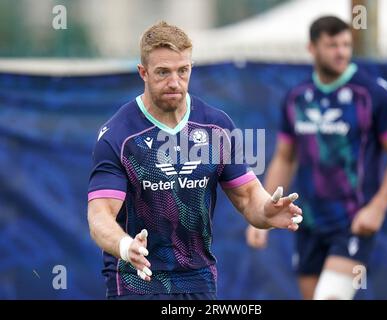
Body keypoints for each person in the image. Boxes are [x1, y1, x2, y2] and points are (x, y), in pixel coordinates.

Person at [87, 21, 302, 300]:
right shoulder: (119, 135)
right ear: (143, 72)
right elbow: (99, 216)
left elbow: (249, 198)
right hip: (137, 280)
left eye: (182, 71)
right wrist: (126, 246)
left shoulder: (216, 127)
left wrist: (267, 213)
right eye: (163, 72)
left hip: (198, 281)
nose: (174, 82)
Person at [246, 16, 387, 300]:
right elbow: (285, 158)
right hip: (307, 221)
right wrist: (261, 213)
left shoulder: (371, 94)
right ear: (312, 48)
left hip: (352, 221)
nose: (341, 52)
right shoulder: (297, 97)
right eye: (332, 44)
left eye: (346, 44)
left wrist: (379, 206)